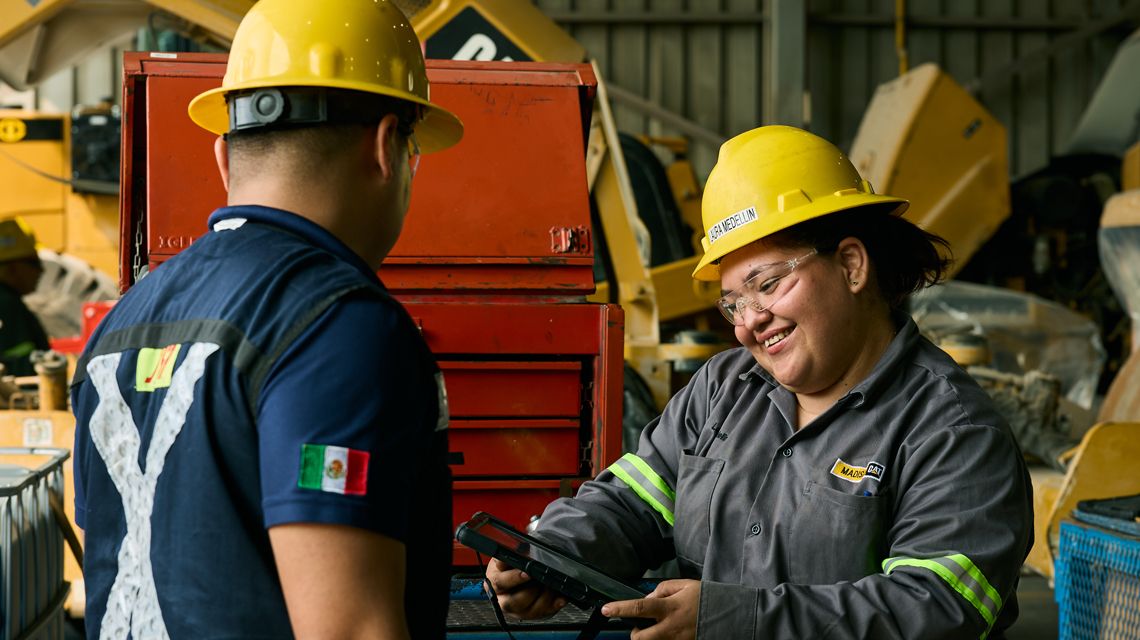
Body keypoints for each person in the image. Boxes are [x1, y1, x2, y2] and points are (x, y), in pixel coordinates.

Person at [487, 125, 1033, 639]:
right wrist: (552, 554)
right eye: (733, 304)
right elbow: (632, 501)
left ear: (850, 264)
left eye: (767, 284)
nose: (749, 322)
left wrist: (741, 621)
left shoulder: (953, 430)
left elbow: (937, 611)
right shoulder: (722, 390)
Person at [70, 0, 463, 638]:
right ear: (389, 147)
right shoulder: (339, 326)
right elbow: (351, 628)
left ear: (224, 157)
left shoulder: (119, 326)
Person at [0, 217, 49, 376]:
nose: (41, 271)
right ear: (12, 268)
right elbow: (22, 369)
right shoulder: (7, 305)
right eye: (34, 263)